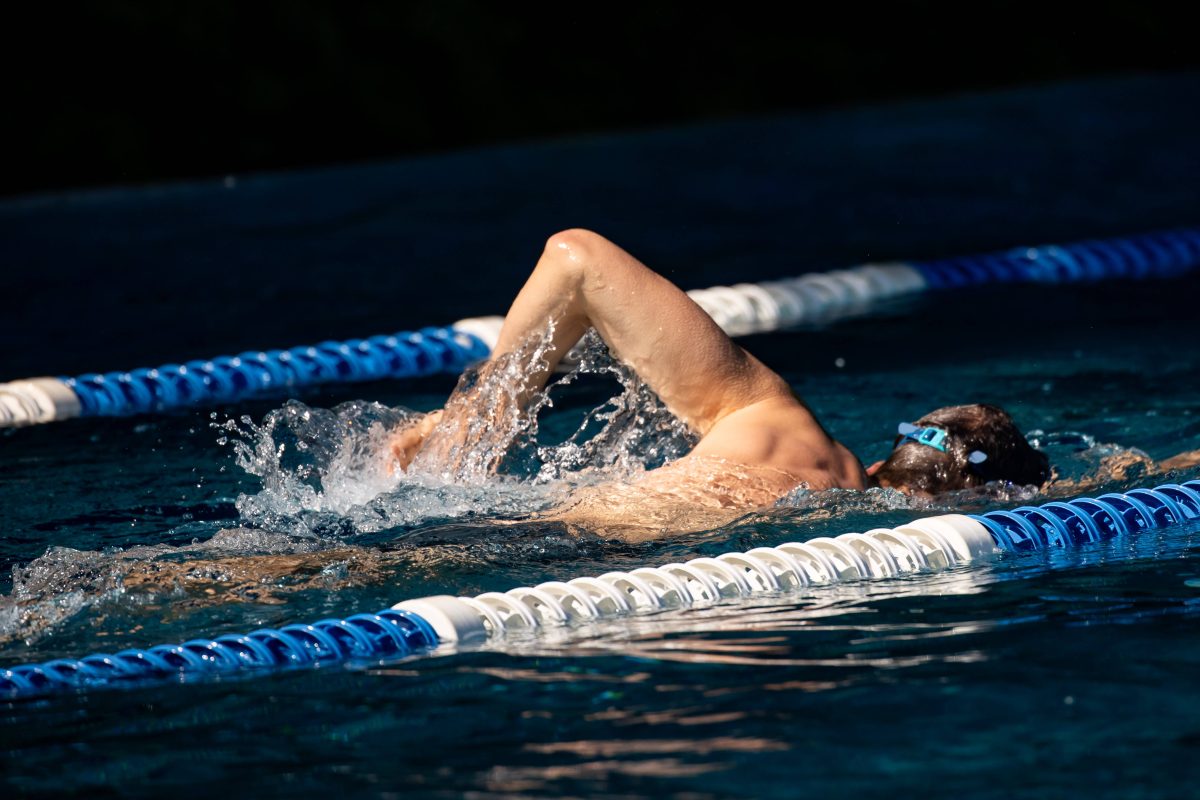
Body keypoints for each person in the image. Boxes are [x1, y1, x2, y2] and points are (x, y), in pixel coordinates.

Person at [387, 229, 1193, 534]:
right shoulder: (858, 532)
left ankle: (464, 439)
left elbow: (578, 257)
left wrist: (470, 423)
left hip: (495, 523)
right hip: (545, 559)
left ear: (902, 439)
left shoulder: (766, 411)